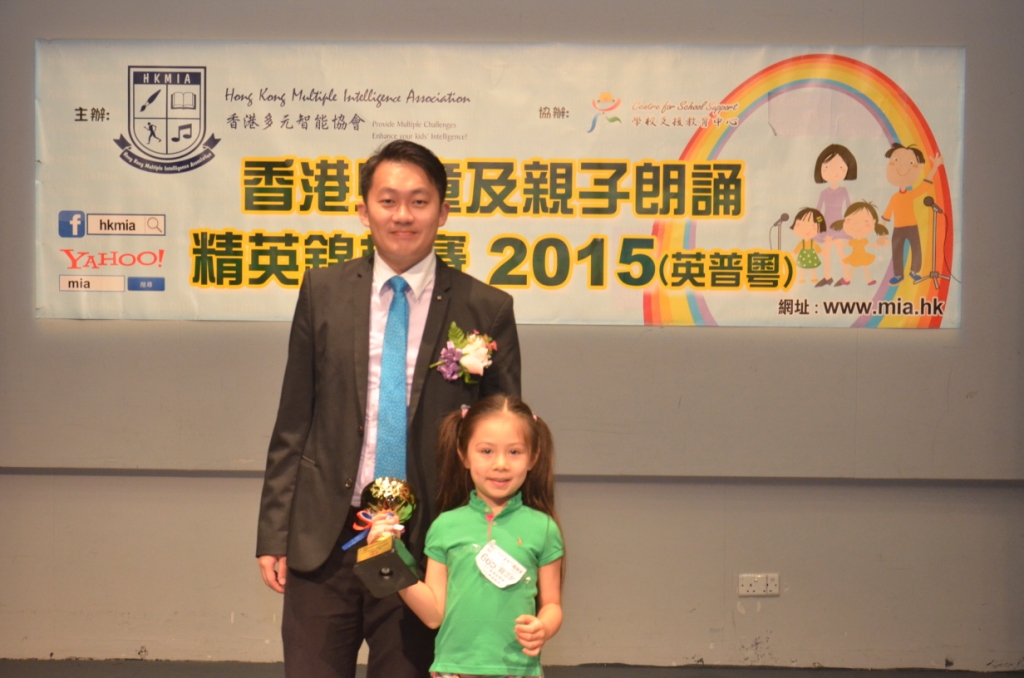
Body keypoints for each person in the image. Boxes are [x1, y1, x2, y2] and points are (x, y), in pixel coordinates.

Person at [256, 140, 522, 678]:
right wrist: (274, 532)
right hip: (326, 535)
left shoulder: (486, 307)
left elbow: (504, 435)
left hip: (427, 544)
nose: (403, 215)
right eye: (388, 200)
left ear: (443, 212)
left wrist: (492, 539)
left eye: (419, 201)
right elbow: (293, 421)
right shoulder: (323, 290)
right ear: (363, 210)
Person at [368, 395, 564, 678]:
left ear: (533, 457)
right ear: (463, 454)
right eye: (486, 451)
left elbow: (552, 605)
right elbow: (433, 614)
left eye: (514, 452)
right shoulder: (446, 526)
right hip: (453, 671)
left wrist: (543, 627)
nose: (500, 464)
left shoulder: (543, 528)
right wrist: (389, 554)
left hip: (517, 671)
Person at [879, 143, 943, 285]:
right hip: (898, 228)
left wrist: (935, 167)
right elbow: (887, 214)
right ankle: (898, 274)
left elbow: (924, 185)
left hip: (912, 226)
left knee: (916, 249)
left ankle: (914, 271)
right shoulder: (894, 197)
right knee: (897, 250)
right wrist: (882, 233)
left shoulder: (911, 194)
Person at [812, 144, 857, 287]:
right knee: (826, 253)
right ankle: (827, 277)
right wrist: (821, 224)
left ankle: (846, 277)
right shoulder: (823, 193)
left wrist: (849, 223)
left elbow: (849, 207)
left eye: (840, 167)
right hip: (826, 225)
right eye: (827, 167)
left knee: (840, 250)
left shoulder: (843, 191)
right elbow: (818, 210)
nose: (834, 171)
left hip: (838, 224)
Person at [833, 201, 890, 287]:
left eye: (865, 221)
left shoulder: (864, 241)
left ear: (874, 222)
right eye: (849, 220)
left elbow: (871, 245)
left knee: (864, 268)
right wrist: (836, 243)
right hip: (855, 256)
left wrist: (878, 245)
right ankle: (848, 279)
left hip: (863, 255)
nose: (856, 224)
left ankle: (868, 280)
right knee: (854, 268)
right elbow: (846, 244)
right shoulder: (854, 241)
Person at [789, 208, 826, 284]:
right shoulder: (801, 242)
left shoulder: (813, 242)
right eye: (799, 225)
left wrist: (822, 253)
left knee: (813, 267)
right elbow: (797, 249)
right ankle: (802, 278)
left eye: (812, 226)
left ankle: (813, 278)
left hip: (812, 256)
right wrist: (793, 253)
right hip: (803, 256)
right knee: (803, 268)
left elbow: (817, 248)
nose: (805, 229)